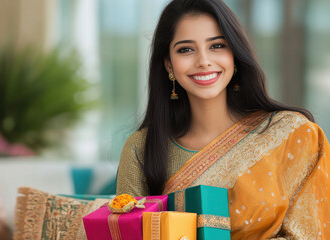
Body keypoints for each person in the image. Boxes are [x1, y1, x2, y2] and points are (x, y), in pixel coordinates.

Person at [116, 0, 330, 239]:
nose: (204, 61)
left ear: (235, 55)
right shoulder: (142, 148)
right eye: (186, 49)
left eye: (217, 45)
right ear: (168, 64)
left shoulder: (292, 135)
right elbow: (126, 233)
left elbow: (312, 234)